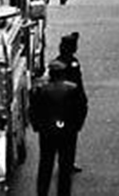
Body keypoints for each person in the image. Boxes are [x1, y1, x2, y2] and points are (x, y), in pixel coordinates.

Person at [30, 59, 88, 196]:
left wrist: (37, 127)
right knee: (65, 167)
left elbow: (34, 110)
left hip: (47, 133)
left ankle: (42, 192)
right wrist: (77, 126)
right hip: (68, 132)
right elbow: (81, 108)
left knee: (45, 165)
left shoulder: (42, 90)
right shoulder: (72, 89)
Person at [53, 33, 87, 174]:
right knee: (70, 138)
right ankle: (66, 163)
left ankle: (65, 163)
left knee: (64, 137)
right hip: (68, 106)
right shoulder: (71, 64)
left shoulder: (57, 62)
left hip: (60, 106)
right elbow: (76, 85)